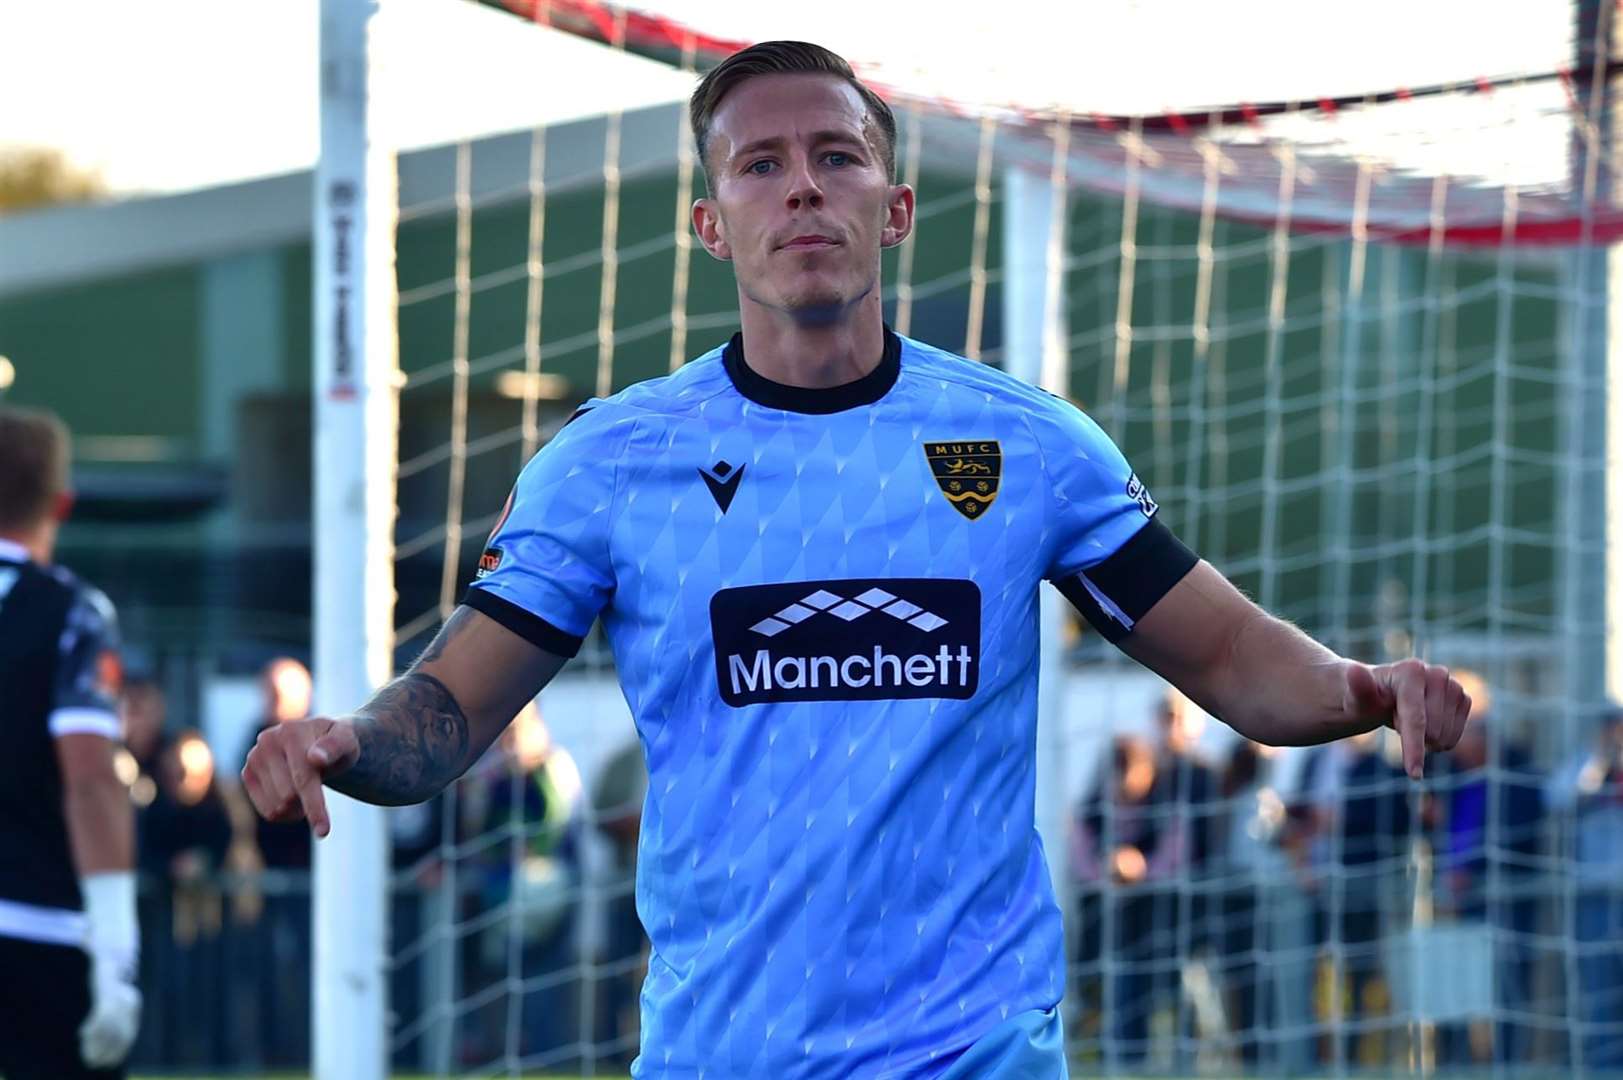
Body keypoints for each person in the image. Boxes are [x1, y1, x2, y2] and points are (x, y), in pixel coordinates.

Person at [242, 41, 1472, 1078]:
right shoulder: (610, 462)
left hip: (975, 1044)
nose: (802, 191)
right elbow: (454, 707)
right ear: (710, 224)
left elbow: (1235, 661)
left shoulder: (1028, 445)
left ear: (893, 207)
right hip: (727, 1048)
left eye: (837, 157)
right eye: (760, 166)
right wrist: (348, 743)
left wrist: (1360, 691)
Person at [0, 406, 141, 1079]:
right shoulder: (72, 612)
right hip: (36, 933)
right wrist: (116, 950)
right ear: (61, 502)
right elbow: (89, 780)